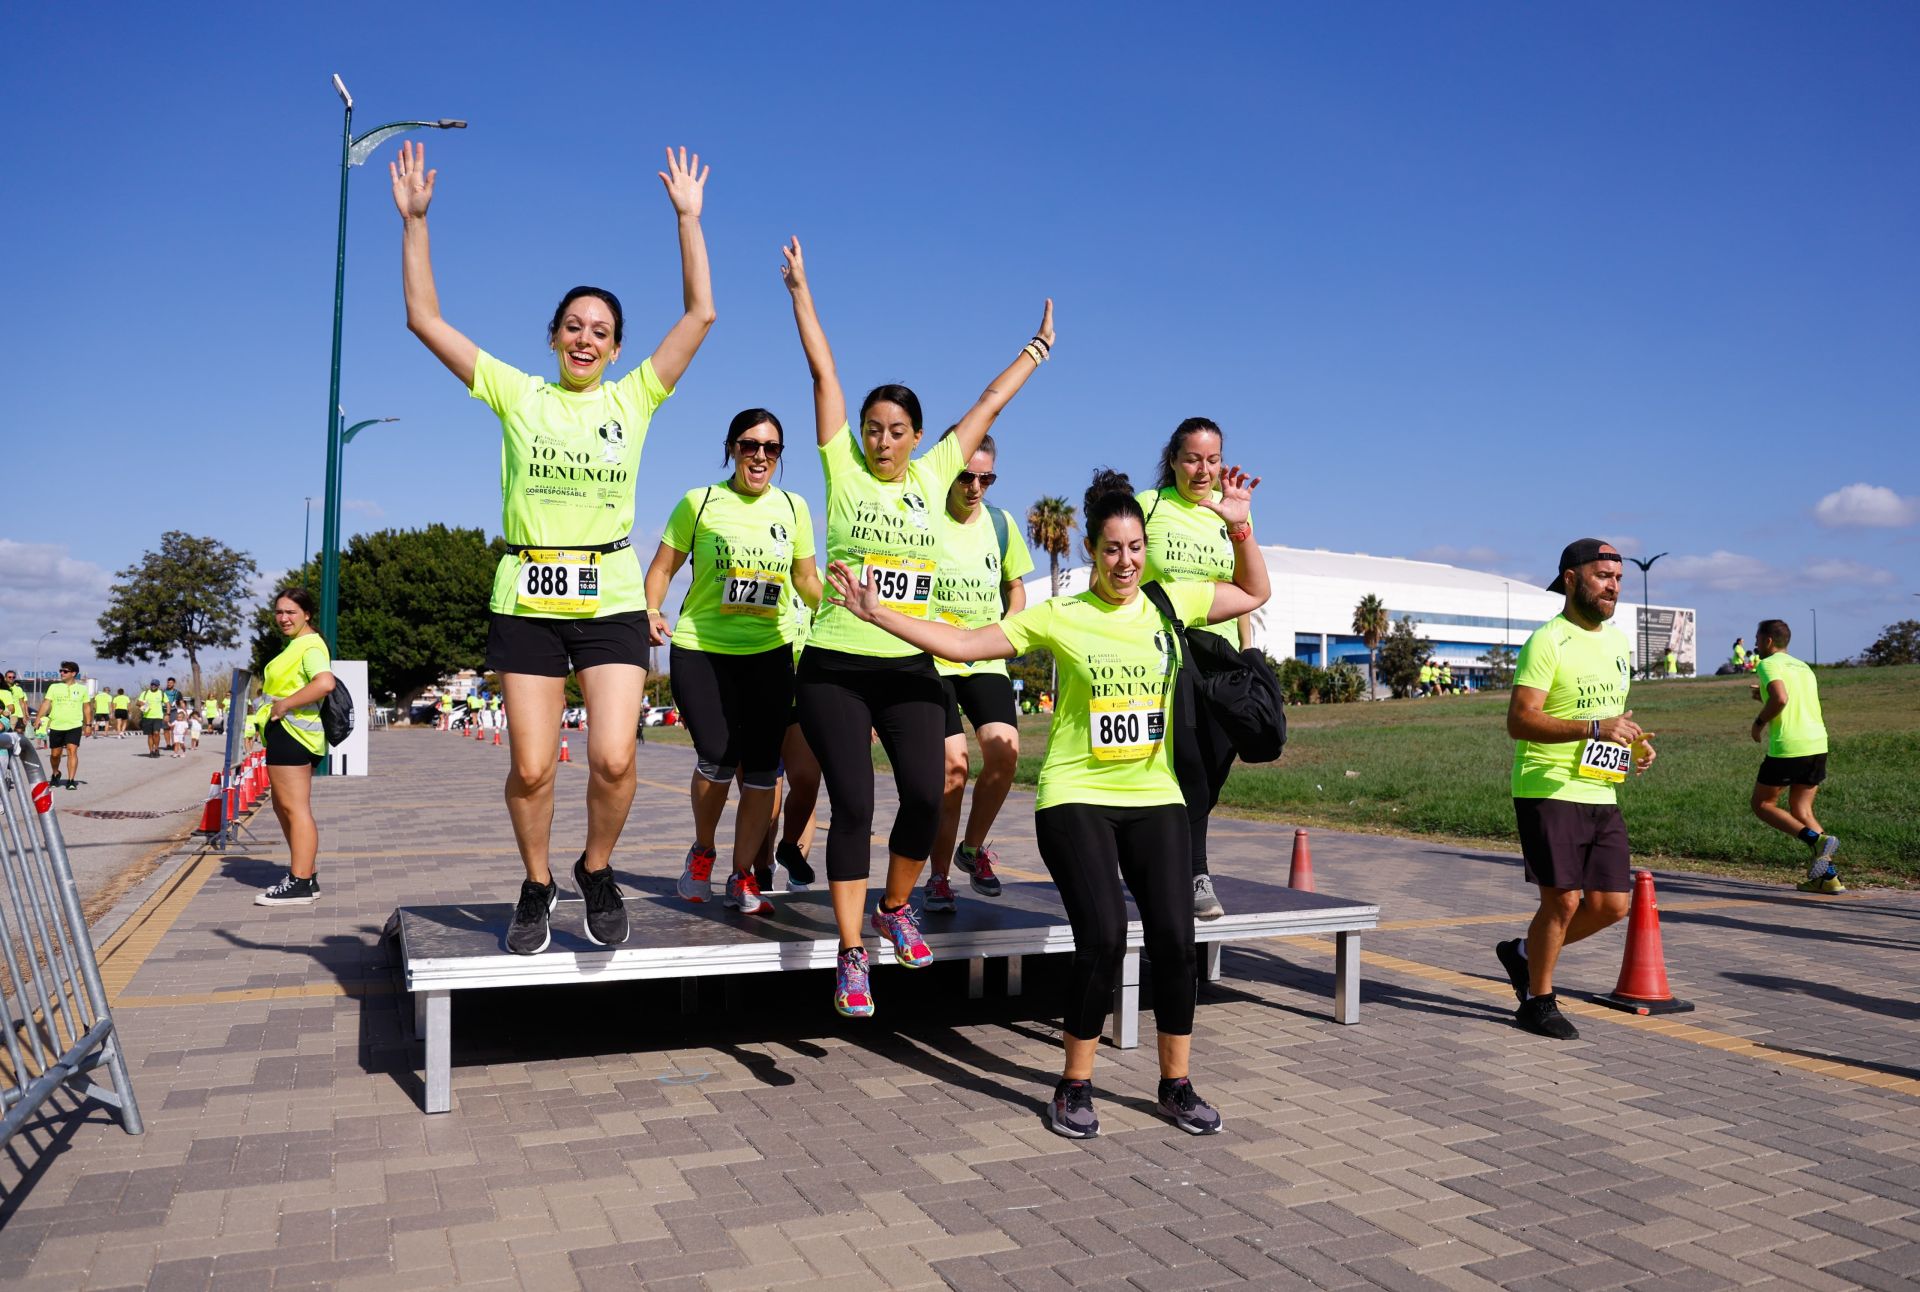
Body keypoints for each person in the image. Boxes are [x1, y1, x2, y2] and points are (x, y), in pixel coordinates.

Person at [824, 465, 1267, 1135]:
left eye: (1135, 548)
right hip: (1077, 795)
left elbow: (1255, 589)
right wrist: (878, 613)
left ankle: (1175, 1083)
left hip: (1155, 795)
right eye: (1113, 548)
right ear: (1092, 548)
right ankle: (1074, 1083)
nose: (1125, 561)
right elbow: (969, 644)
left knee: (1177, 942)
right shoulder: (1060, 614)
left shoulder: (1172, 602)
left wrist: (1238, 521)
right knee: (1104, 939)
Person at [393, 138, 715, 954]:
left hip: (608, 596)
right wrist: (416, 223)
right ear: (553, 337)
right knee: (533, 768)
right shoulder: (517, 393)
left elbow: (700, 315)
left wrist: (687, 220)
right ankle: (536, 883)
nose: (585, 338)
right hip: (527, 598)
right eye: (573, 325)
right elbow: (423, 319)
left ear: (614, 348)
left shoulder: (636, 398)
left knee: (612, 757)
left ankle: (595, 870)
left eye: (601, 331)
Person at [780, 234, 1052, 1017]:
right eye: (874, 428)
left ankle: (895, 905)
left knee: (929, 796)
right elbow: (822, 371)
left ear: (917, 436)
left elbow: (989, 404)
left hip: (908, 666)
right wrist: (801, 290)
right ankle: (852, 952)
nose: (884, 440)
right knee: (855, 805)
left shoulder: (937, 473)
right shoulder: (842, 467)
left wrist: (1036, 348)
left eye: (897, 429)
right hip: (834, 663)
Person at [643, 408, 821, 914]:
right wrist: (651, 609)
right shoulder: (699, 504)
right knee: (718, 759)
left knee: (765, 771)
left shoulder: (793, 508)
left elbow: (806, 580)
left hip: (769, 651)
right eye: (750, 446)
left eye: (771, 449)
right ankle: (702, 851)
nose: (760, 456)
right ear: (732, 449)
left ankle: (743, 875)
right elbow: (662, 567)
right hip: (703, 649)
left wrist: (835, 603)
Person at [1494, 540, 1656, 1041]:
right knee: (1562, 902)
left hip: (1600, 787)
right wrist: (1593, 729)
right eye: (1603, 575)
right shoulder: (1548, 641)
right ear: (1571, 579)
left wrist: (1632, 742)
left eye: (1618, 577)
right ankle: (1537, 1001)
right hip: (1548, 785)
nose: (1613, 585)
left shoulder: (1616, 643)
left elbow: (1611, 716)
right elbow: (1520, 721)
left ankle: (1523, 954)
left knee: (1612, 905)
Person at [1138, 418, 1258, 920]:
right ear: (1173, 460)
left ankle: (1174, 856)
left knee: (1215, 762)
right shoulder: (1150, 507)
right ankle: (1194, 872)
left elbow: (1247, 588)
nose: (1202, 469)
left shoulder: (1227, 515)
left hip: (1222, 655)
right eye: (1192, 459)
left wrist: (1250, 654)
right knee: (1186, 762)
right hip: (1167, 650)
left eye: (1212, 460)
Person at [921, 432, 1033, 913]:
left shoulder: (1002, 525)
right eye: (966, 476)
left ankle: (973, 849)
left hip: (984, 657)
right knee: (953, 770)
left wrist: (1008, 628)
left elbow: (1016, 590)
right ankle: (938, 877)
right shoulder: (923, 520)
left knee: (1005, 755)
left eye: (986, 478)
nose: (975, 487)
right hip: (934, 658)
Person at [253, 588, 337, 906]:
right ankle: (304, 874)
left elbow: (324, 682)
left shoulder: (310, 645)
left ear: (307, 614)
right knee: (284, 806)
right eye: (279, 612)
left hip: (294, 734)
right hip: (285, 733)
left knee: (295, 807)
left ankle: (301, 881)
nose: (283, 618)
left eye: (290, 612)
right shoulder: (296, 644)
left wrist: (284, 705)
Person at [1746, 619, 1842, 894]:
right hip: (1817, 743)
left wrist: (1758, 722)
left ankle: (1816, 840)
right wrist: (1763, 696)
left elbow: (1781, 699)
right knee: (1802, 810)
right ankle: (1827, 878)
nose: (1755, 645)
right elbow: (1790, 697)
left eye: (1757, 639)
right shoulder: (1803, 666)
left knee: (1762, 804)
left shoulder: (1767, 664)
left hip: (1790, 746)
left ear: (1767, 641)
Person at [35, 663, 92, 789]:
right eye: (61, 671)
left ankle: (71, 780)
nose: (61, 673)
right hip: (56, 725)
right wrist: (38, 718)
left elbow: (87, 707)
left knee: (72, 751)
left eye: (65, 671)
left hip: (74, 725)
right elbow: (46, 703)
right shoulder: (54, 687)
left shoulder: (82, 689)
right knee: (55, 755)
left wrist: (88, 724)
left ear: (73, 673)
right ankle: (56, 773)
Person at [136, 680, 166, 756]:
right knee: (150, 735)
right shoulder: (145, 693)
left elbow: (167, 703)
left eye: (155, 685)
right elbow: (137, 703)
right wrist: (141, 703)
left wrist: (168, 714)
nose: (153, 686)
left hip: (158, 716)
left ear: (158, 686)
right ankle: (151, 751)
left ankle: (156, 749)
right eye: (152, 684)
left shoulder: (161, 693)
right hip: (147, 717)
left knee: (156, 733)